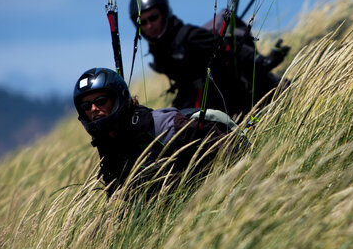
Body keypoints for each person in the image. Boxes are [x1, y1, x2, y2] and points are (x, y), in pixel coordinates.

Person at [73, 67, 235, 199]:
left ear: (117, 99)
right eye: (86, 106)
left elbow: (227, 147)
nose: (93, 109)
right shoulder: (109, 144)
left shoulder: (164, 127)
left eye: (100, 101)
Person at [128, 0, 290, 118]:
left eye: (154, 17)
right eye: (142, 22)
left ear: (164, 14)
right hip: (197, 97)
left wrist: (261, 61)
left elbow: (227, 47)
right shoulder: (159, 48)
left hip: (228, 91)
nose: (149, 25)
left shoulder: (188, 36)